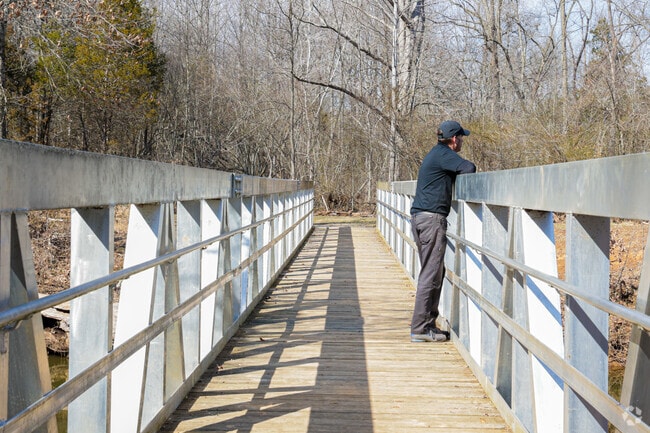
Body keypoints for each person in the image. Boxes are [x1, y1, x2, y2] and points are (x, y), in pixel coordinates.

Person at [410, 120, 476, 342]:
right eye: (461, 138)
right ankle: (420, 329)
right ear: (454, 139)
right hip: (431, 220)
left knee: (433, 271)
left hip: (422, 218)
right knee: (431, 273)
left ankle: (427, 324)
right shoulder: (443, 154)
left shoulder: (436, 154)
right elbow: (468, 168)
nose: (462, 141)